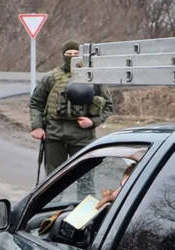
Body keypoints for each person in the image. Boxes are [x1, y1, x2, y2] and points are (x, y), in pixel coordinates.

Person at [30, 40, 113, 175]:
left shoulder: (92, 77)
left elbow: (108, 106)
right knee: (53, 177)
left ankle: (84, 198)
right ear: (63, 55)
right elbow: (36, 103)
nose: (72, 56)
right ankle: (55, 198)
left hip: (83, 136)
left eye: (76, 53)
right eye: (69, 53)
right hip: (54, 135)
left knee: (84, 177)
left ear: (81, 55)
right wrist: (37, 126)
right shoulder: (51, 77)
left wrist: (93, 122)